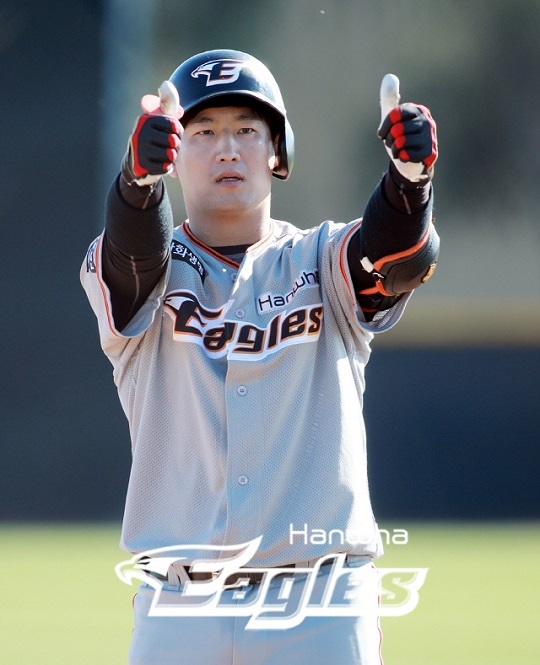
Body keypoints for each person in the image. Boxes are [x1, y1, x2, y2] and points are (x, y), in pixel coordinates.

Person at [81, 49, 439, 665]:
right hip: (180, 603)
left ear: (278, 151)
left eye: (247, 129)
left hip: (319, 602)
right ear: (173, 154)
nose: (227, 148)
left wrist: (409, 185)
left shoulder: (321, 260)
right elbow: (130, 254)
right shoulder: (144, 276)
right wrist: (135, 187)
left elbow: (395, 257)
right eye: (203, 131)